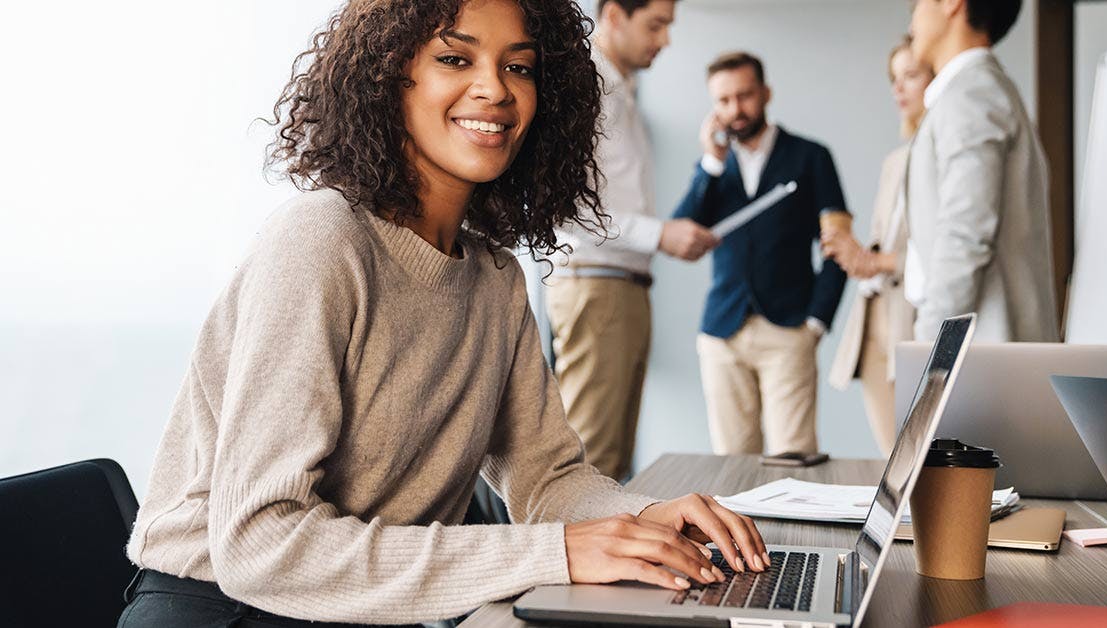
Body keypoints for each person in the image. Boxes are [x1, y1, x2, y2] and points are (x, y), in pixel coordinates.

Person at [117, 1, 770, 626]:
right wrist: (557, 553)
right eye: (455, 60)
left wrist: (648, 517)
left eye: (519, 66)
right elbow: (260, 542)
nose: (495, 89)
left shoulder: (495, 279)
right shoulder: (320, 241)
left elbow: (548, 478)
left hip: (375, 608)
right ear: (388, 76)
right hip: (224, 607)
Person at [547, 0, 716, 482]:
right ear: (615, 16)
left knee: (612, 464)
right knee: (590, 463)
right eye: (656, 25)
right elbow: (564, 207)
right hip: (598, 285)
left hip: (621, 285)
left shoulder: (621, 90)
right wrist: (660, 234)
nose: (664, 40)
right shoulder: (587, 88)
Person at [673, 51, 848, 457]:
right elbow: (680, 234)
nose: (736, 109)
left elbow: (839, 245)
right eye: (723, 100)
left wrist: (817, 322)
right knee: (732, 463)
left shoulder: (810, 156)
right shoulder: (714, 168)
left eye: (745, 95)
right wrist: (711, 164)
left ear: (766, 93)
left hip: (788, 329)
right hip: (722, 331)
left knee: (793, 458)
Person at [903, 0, 1058, 342]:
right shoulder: (975, 90)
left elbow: (965, 235)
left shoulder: (972, 94)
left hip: (983, 355)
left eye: (916, 3)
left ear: (952, 4)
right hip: (986, 353)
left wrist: (928, 347)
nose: (911, 15)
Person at [825, 37, 932, 455]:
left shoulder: (945, 157)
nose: (898, 89)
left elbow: (946, 253)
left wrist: (875, 260)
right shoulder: (895, 161)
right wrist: (854, 254)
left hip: (914, 320)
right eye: (894, 79)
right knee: (893, 459)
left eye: (911, 75)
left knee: (923, 459)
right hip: (872, 324)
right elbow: (884, 244)